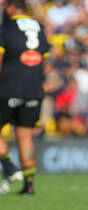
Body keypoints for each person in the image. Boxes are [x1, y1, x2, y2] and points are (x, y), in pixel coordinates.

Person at [0, 0, 50, 195]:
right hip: (34, 90)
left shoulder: (6, 28)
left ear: (12, 7)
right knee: (25, 134)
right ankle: (29, 185)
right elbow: (42, 61)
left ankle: (9, 166)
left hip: (8, 88)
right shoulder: (40, 28)